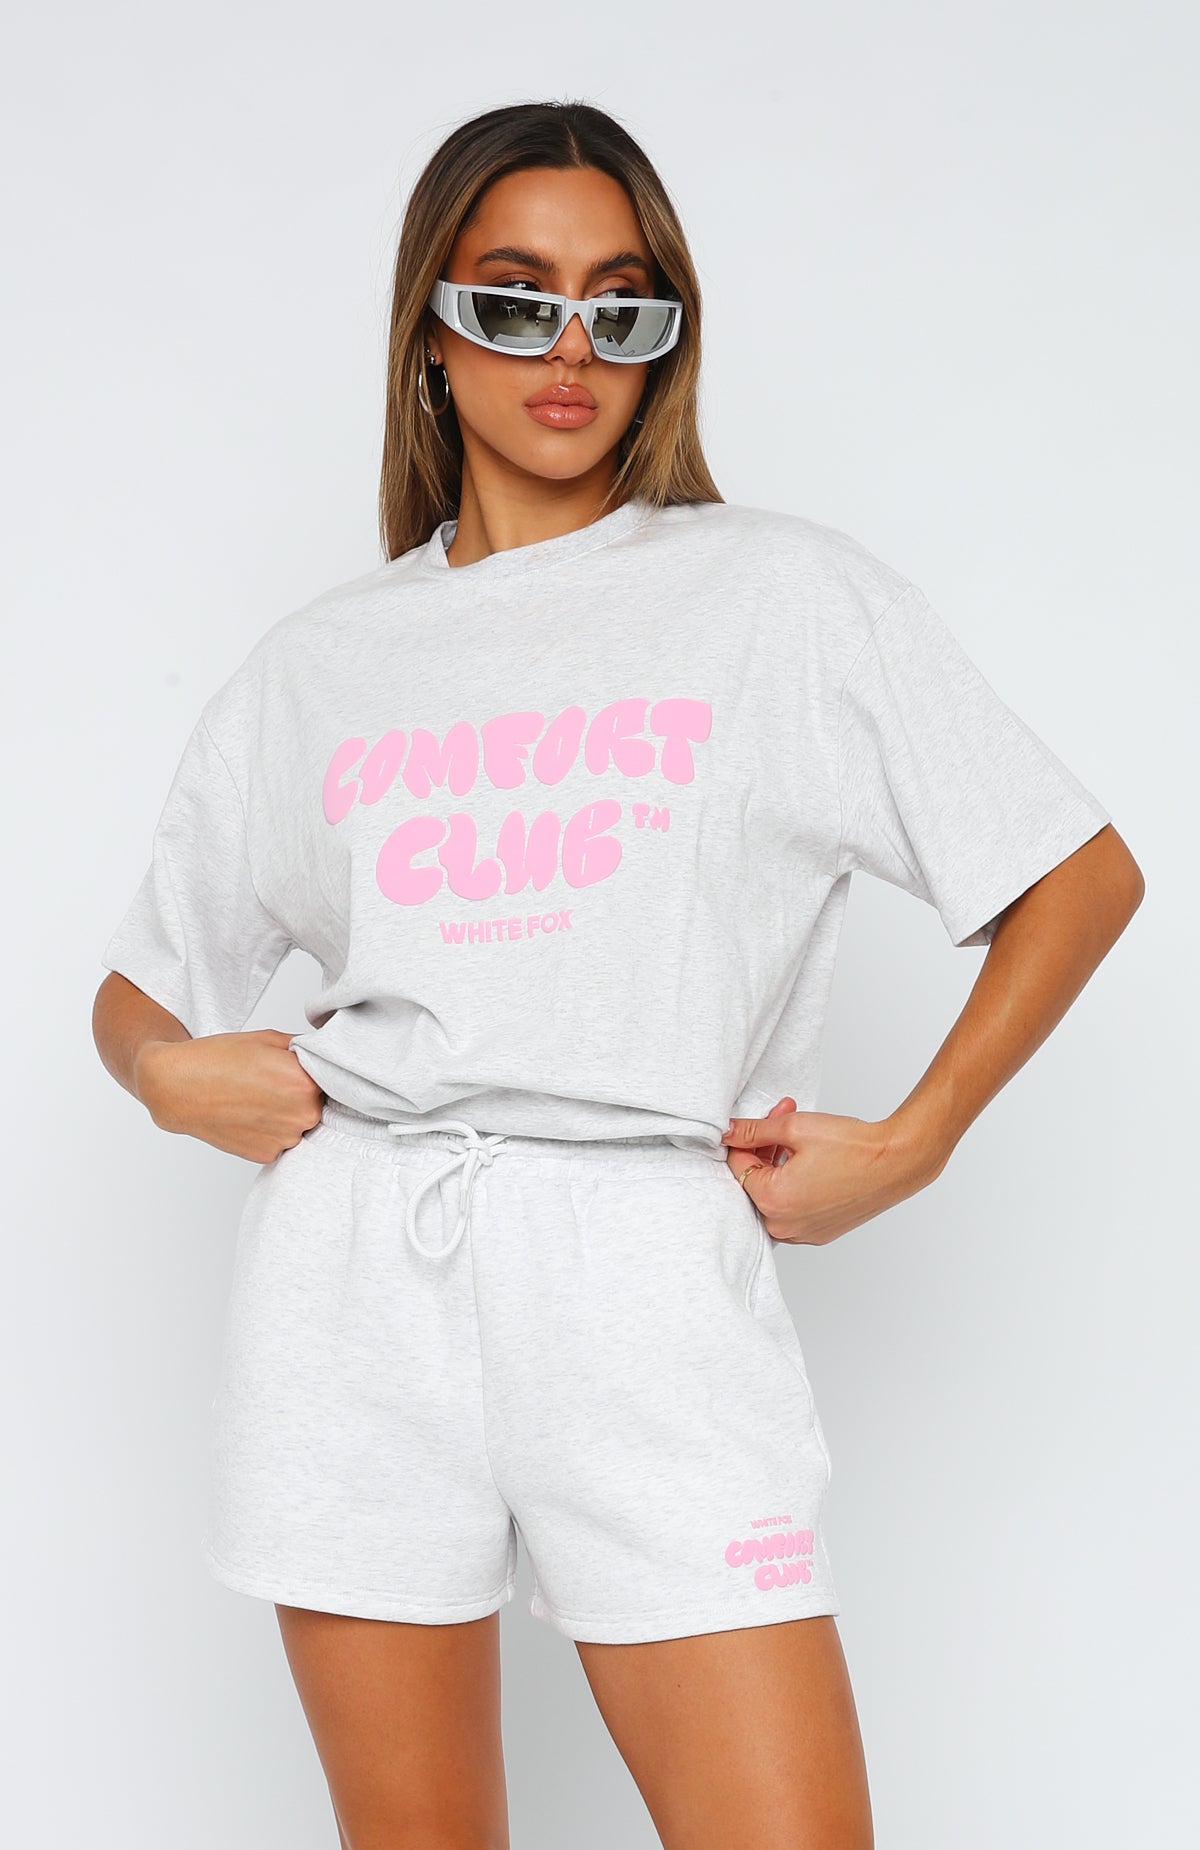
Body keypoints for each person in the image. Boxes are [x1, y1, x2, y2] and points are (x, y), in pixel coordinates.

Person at [92, 98, 1144, 1850]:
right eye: (514, 299)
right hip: (359, 1278)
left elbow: (1075, 873)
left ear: (667, 337)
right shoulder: (325, 663)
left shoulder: (778, 596)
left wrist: (919, 1139)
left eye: (619, 303)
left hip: (648, 1276)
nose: (569, 347)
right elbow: (140, 983)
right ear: (432, 336)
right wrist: (164, 1075)